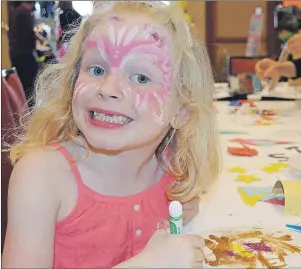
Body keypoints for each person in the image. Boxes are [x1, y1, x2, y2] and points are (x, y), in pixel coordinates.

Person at [2, 2, 221, 268]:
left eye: (140, 78)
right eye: (97, 70)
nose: (108, 88)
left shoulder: (170, 165)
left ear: (183, 110)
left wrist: (185, 207)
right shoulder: (42, 177)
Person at [8, 1, 38, 108]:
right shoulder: (24, 13)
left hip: (18, 55)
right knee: (30, 89)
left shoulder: (17, 11)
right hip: (25, 55)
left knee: (24, 89)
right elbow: (29, 37)